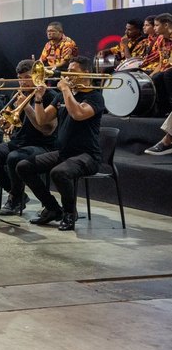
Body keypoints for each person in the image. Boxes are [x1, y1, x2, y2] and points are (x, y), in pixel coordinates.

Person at [16, 56, 105, 232]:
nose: (68, 76)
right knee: (23, 166)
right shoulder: (61, 96)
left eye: (74, 71)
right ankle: (52, 208)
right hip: (64, 152)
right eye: (68, 71)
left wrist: (65, 90)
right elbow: (42, 120)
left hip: (87, 155)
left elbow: (78, 114)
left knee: (59, 173)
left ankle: (70, 213)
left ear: (87, 72)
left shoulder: (95, 96)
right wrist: (39, 99)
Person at [0, 60, 57, 215]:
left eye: (27, 77)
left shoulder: (50, 96)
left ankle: (15, 199)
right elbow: (14, 121)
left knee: (13, 158)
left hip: (42, 144)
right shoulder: (19, 93)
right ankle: (17, 193)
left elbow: (47, 130)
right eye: (20, 78)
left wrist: (27, 107)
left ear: (38, 76)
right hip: (20, 142)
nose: (22, 81)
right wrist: (6, 123)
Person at [147, 13, 172, 115]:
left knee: (167, 75)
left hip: (170, 68)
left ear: (166, 25)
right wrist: (150, 76)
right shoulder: (160, 39)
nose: (155, 28)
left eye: (157, 25)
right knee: (156, 77)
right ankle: (163, 109)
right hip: (167, 68)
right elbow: (162, 62)